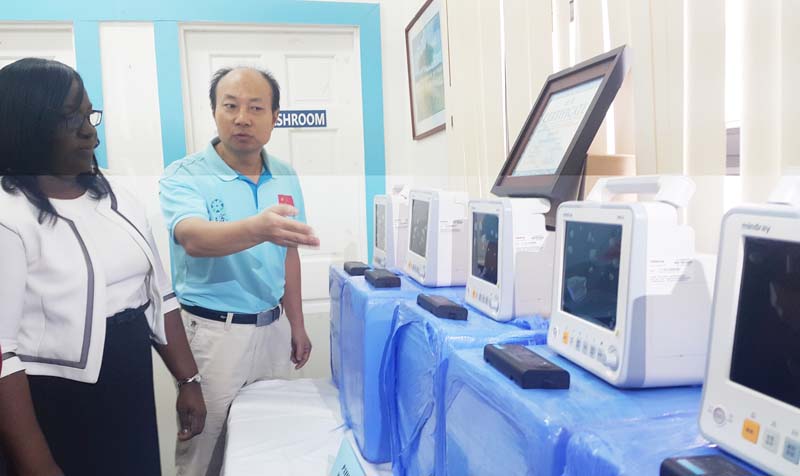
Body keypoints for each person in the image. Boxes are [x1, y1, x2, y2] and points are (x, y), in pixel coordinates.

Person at [0, 58, 206, 476]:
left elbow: (158, 296)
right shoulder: (10, 217)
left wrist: (188, 380)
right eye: (69, 118)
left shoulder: (117, 197)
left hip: (127, 379)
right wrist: (37, 464)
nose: (89, 131)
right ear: (25, 126)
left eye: (89, 114)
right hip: (50, 400)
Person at [159, 66, 320, 475]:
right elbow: (193, 237)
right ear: (214, 112)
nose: (242, 118)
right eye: (230, 106)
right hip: (214, 335)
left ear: (274, 117)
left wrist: (297, 324)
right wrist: (258, 227)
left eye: (255, 107)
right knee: (203, 452)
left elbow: (289, 254)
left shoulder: (285, 174)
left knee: (269, 446)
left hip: (271, 330)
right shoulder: (186, 174)